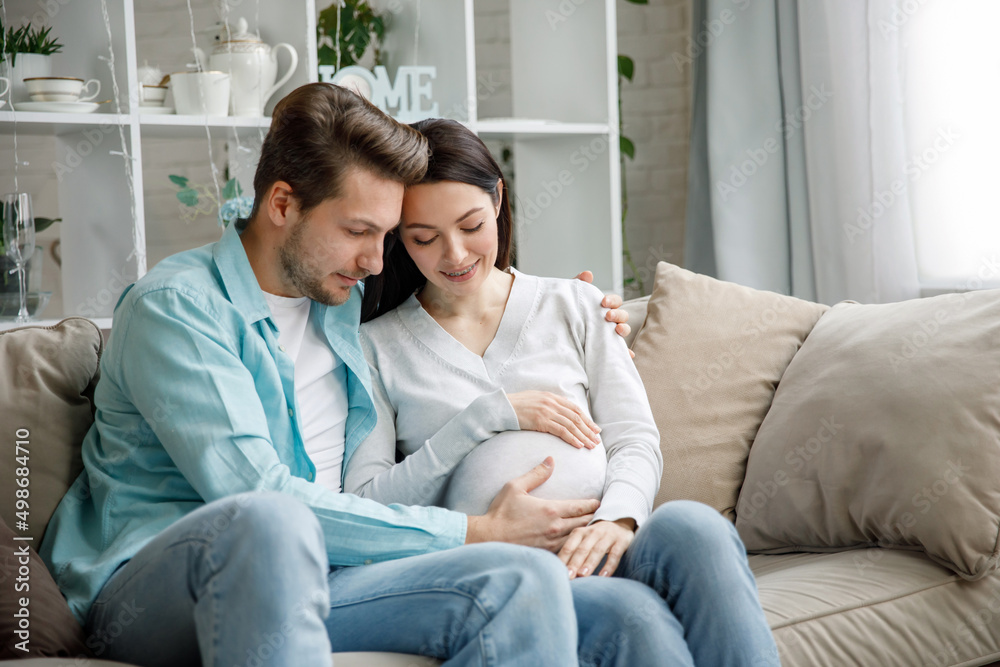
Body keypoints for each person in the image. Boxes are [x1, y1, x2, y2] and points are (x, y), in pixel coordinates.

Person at [38, 83, 637, 666]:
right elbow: (258, 495)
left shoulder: (344, 298)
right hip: (160, 586)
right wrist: (471, 531)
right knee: (271, 519)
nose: (378, 261)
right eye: (358, 232)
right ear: (281, 204)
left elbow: (464, 289)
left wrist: (589, 314)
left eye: (387, 236)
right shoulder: (176, 310)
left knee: (523, 580)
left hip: (331, 570)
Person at [346, 118, 782, 666]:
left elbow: (633, 438)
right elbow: (366, 504)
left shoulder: (574, 304)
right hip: (510, 572)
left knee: (696, 525)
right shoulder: (375, 348)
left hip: (605, 539)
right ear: (398, 238)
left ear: (498, 199)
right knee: (633, 617)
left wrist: (617, 520)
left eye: (471, 225)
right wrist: (482, 419)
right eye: (424, 238)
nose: (454, 255)